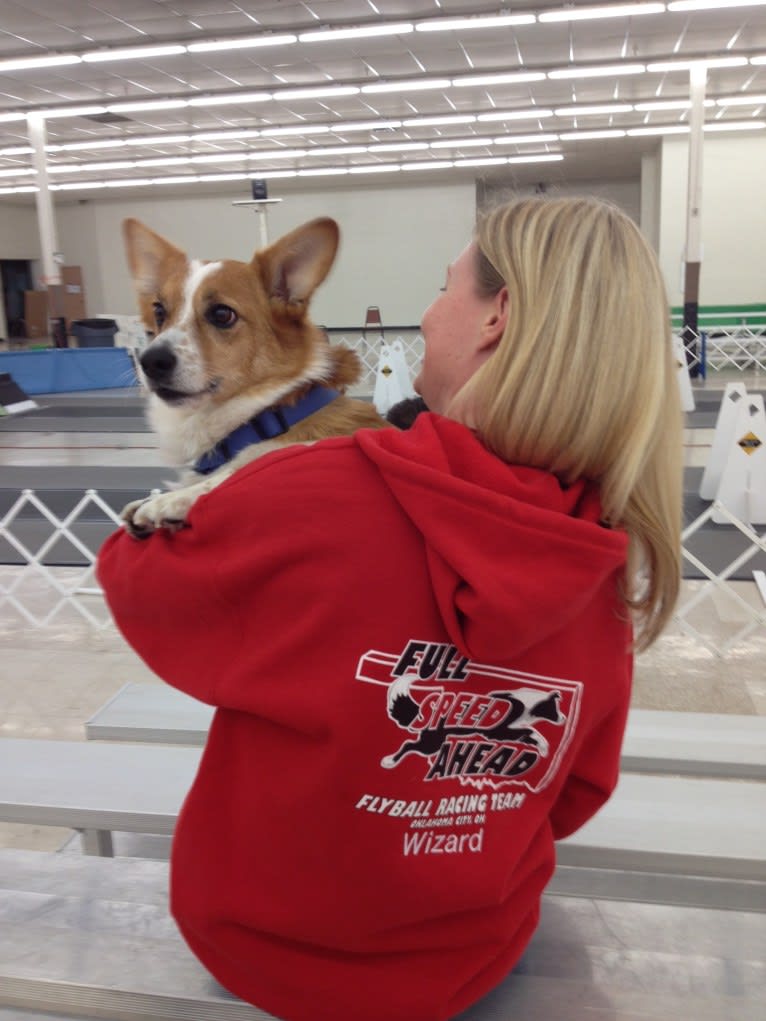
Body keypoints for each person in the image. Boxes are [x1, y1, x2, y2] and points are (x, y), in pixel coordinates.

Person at [97, 195, 682, 1021]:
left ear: (494, 318)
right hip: (472, 952)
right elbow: (579, 788)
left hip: (263, 948)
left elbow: (138, 583)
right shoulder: (605, 560)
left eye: (445, 289)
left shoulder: (310, 488)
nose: (427, 311)